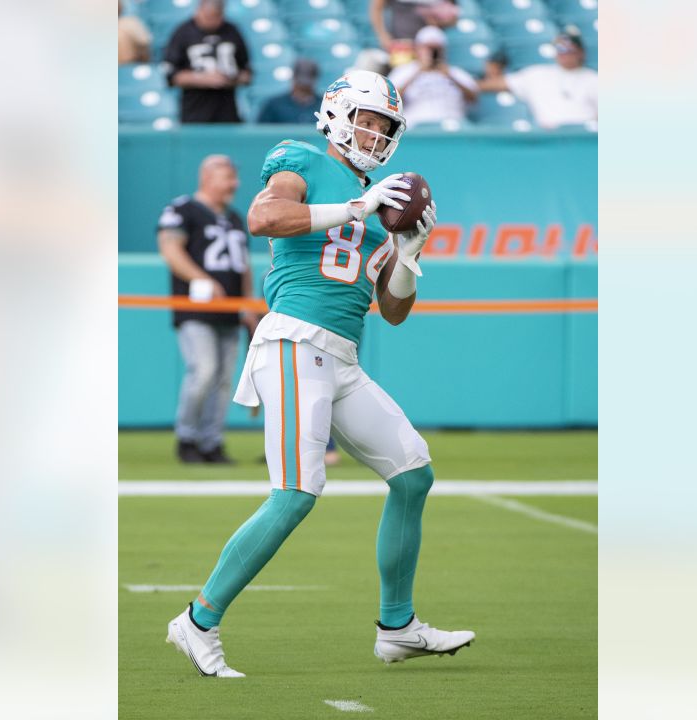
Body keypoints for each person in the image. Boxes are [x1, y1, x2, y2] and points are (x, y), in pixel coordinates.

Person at [164, 70, 474, 678]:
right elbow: (265, 216)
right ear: (336, 113)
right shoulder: (299, 159)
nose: (376, 134)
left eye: (386, 126)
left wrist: (407, 256)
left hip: (343, 357)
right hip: (294, 340)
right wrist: (357, 204)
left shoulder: (380, 204)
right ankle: (197, 620)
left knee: (413, 473)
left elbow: (393, 309)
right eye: (367, 119)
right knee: (296, 494)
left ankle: (397, 627)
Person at [157, 155, 259, 464]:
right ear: (207, 177)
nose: (234, 184)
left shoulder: (234, 217)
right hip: (196, 308)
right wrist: (202, 279)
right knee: (203, 371)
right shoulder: (182, 210)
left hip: (229, 310)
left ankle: (211, 441)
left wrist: (248, 304)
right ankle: (187, 438)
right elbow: (170, 249)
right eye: (228, 177)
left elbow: (242, 266)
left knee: (223, 378)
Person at [477, 28, 598, 129]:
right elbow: (491, 85)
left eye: (569, 49)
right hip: (548, 137)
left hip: (584, 137)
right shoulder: (537, 74)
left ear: (581, 52)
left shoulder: (594, 79)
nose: (564, 53)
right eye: (560, 48)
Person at [162, 0, 252, 123]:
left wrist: (229, 78)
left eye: (215, 16)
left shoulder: (232, 31)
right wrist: (202, 79)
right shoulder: (183, 33)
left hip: (227, 112)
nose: (211, 21)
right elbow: (171, 75)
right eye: (207, 16)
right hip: (194, 112)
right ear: (199, 11)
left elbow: (247, 74)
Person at [387, 26, 478, 128]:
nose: (432, 52)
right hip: (415, 125)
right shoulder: (404, 71)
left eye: (436, 48)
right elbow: (391, 100)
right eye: (428, 48)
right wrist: (418, 72)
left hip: (452, 124)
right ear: (417, 48)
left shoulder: (455, 72)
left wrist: (450, 75)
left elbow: (473, 98)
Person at [369, 0, 459, 54]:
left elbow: (454, 17)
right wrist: (383, 37)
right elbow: (376, 8)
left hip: (431, 47)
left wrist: (440, 21)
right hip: (402, 45)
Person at [255, 58, 323, 124]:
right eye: (300, 85)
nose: (303, 88)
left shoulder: (326, 106)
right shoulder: (274, 105)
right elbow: (260, 132)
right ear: (293, 79)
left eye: (307, 86)